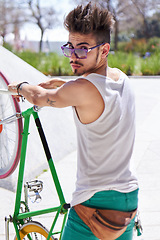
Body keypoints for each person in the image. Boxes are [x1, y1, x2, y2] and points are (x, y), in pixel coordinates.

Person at [8, 2, 139, 239]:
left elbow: (39, 97)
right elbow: (96, 85)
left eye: (83, 49)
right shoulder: (121, 79)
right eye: (70, 47)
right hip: (128, 199)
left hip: (94, 203)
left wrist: (21, 87)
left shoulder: (83, 89)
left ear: (104, 50)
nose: (73, 56)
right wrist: (65, 83)